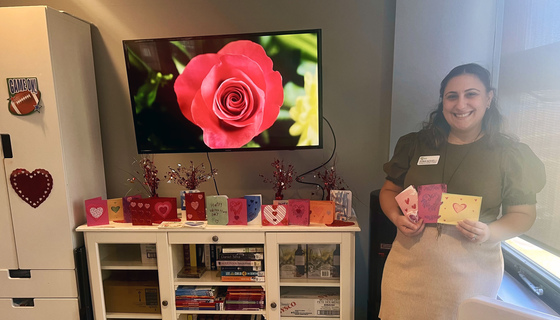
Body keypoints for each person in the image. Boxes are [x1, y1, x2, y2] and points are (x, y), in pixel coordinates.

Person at [378, 63, 546, 320]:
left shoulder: (508, 155)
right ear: (442, 101)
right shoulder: (415, 144)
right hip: (407, 268)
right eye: (452, 96)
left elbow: (523, 214)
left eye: (471, 94)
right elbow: (389, 190)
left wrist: (490, 232)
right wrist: (396, 217)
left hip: (472, 273)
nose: (461, 104)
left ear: (488, 98)